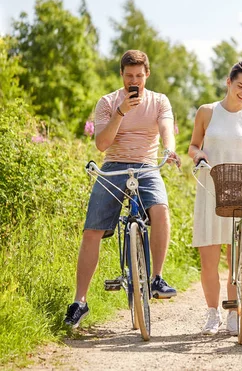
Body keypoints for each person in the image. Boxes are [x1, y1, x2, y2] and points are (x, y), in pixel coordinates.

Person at [64, 50, 181, 327]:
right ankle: (80, 301)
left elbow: (166, 128)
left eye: (139, 76)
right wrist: (121, 112)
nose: (134, 81)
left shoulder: (159, 101)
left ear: (147, 75)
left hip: (146, 165)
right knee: (92, 230)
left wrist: (170, 149)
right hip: (114, 166)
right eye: (129, 76)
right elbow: (102, 144)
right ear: (121, 75)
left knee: (161, 210)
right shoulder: (107, 103)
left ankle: (156, 279)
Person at [188, 61, 242, 336]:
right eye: (240, 85)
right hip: (210, 189)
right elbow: (193, 145)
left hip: (239, 191)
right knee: (208, 258)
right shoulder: (207, 112)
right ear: (228, 82)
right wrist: (198, 154)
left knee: (236, 260)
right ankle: (212, 313)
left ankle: (234, 312)